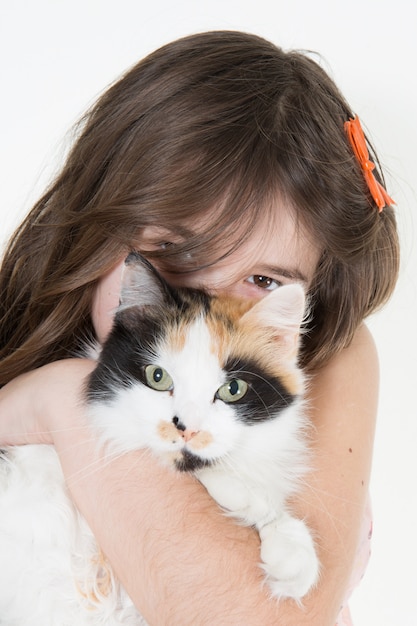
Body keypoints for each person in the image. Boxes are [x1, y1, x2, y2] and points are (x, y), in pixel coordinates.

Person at [0, 31, 399, 625]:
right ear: (97, 227)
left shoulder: (331, 357)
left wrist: (63, 398)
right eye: (176, 252)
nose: (207, 316)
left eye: (264, 280)